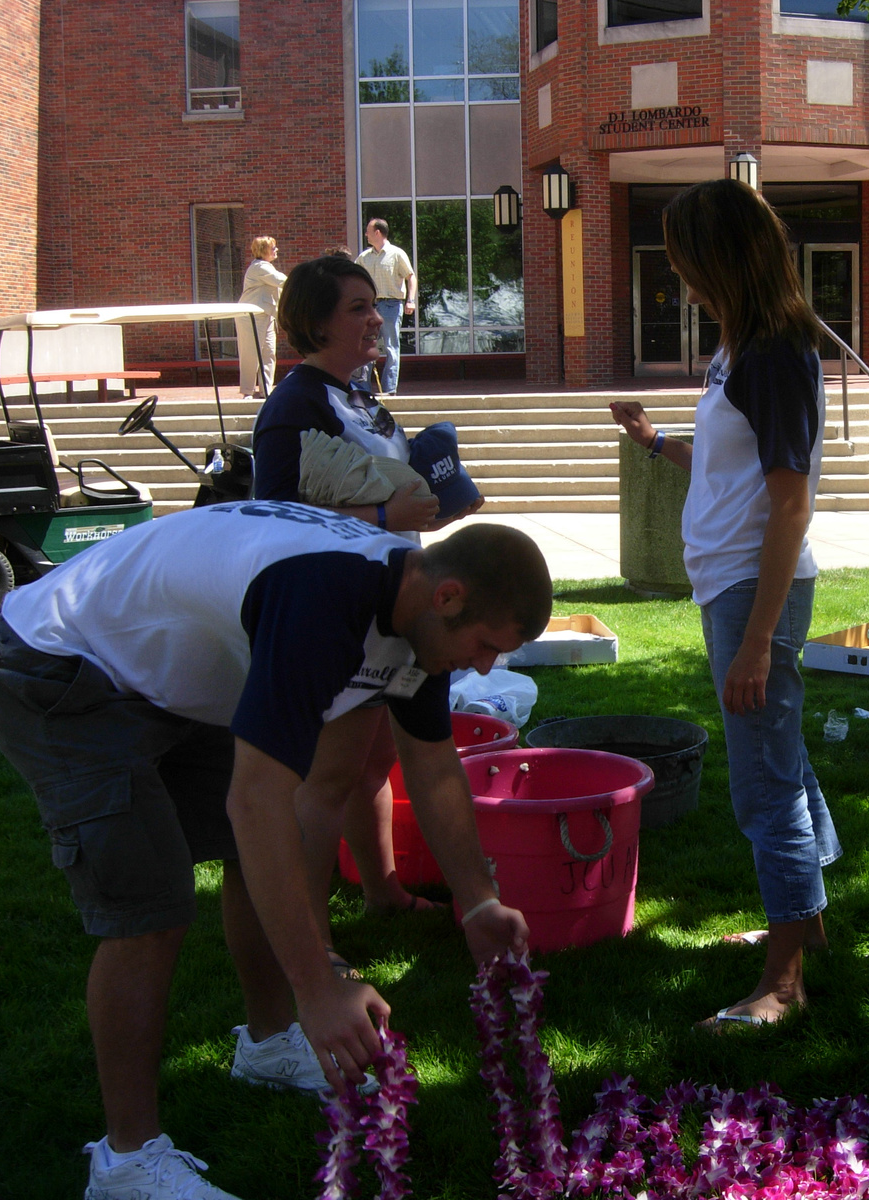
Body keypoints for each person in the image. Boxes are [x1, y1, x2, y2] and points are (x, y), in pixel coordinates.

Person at [0, 507, 549, 1199]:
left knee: (254, 861)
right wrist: (319, 987)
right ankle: (127, 1161)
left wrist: (477, 899)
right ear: (447, 596)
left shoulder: (415, 615)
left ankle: (269, 1042)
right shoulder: (322, 598)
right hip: (59, 666)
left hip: (170, 684)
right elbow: (258, 801)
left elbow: (432, 766)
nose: (484, 667)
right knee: (151, 907)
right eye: (485, 646)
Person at [609, 178, 838, 1029]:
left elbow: (791, 502)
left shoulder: (778, 351)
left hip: (754, 594)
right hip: (731, 586)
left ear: (723, 258)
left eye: (686, 261)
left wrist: (758, 642)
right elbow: (729, 468)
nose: (681, 278)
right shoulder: (738, 347)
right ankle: (802, 924)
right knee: (784, 762)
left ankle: (782, 982)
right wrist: (657, 441)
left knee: (764, 784)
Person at [253, 256, 481, 971]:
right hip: (337, 608)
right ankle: (309, 942)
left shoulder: (363, 398)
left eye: (373, 305)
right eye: (357, 308)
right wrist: (385, 511)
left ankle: (381, 889)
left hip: (395, 599)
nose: (375, 318)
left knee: (377, 760)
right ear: (316, 321)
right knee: (331, 773)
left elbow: (394, 485)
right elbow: (275, 514)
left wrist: (441, 500)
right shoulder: (295, 403)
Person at [354, 218, 416, 395]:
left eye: (368, 231)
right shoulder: (364, 257)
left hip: (391, 304)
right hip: (370, 306)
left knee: (390, 346)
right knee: (365, 346)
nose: (366, 234)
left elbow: (410, 276)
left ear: (378, 233)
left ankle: (389, 389)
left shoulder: (396, 254)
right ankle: (362, 388)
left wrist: (410, 300)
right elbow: (352, 275)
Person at [235, 236, 286, 401]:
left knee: (269, 352)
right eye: (273, 248)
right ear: (263, 250)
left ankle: (266, 390)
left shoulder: (267, 266)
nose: (276, 250)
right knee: (251, 352)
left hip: (267, 315)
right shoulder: (260, 267)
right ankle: (247, 391)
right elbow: (281, 281)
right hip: (251, 316)